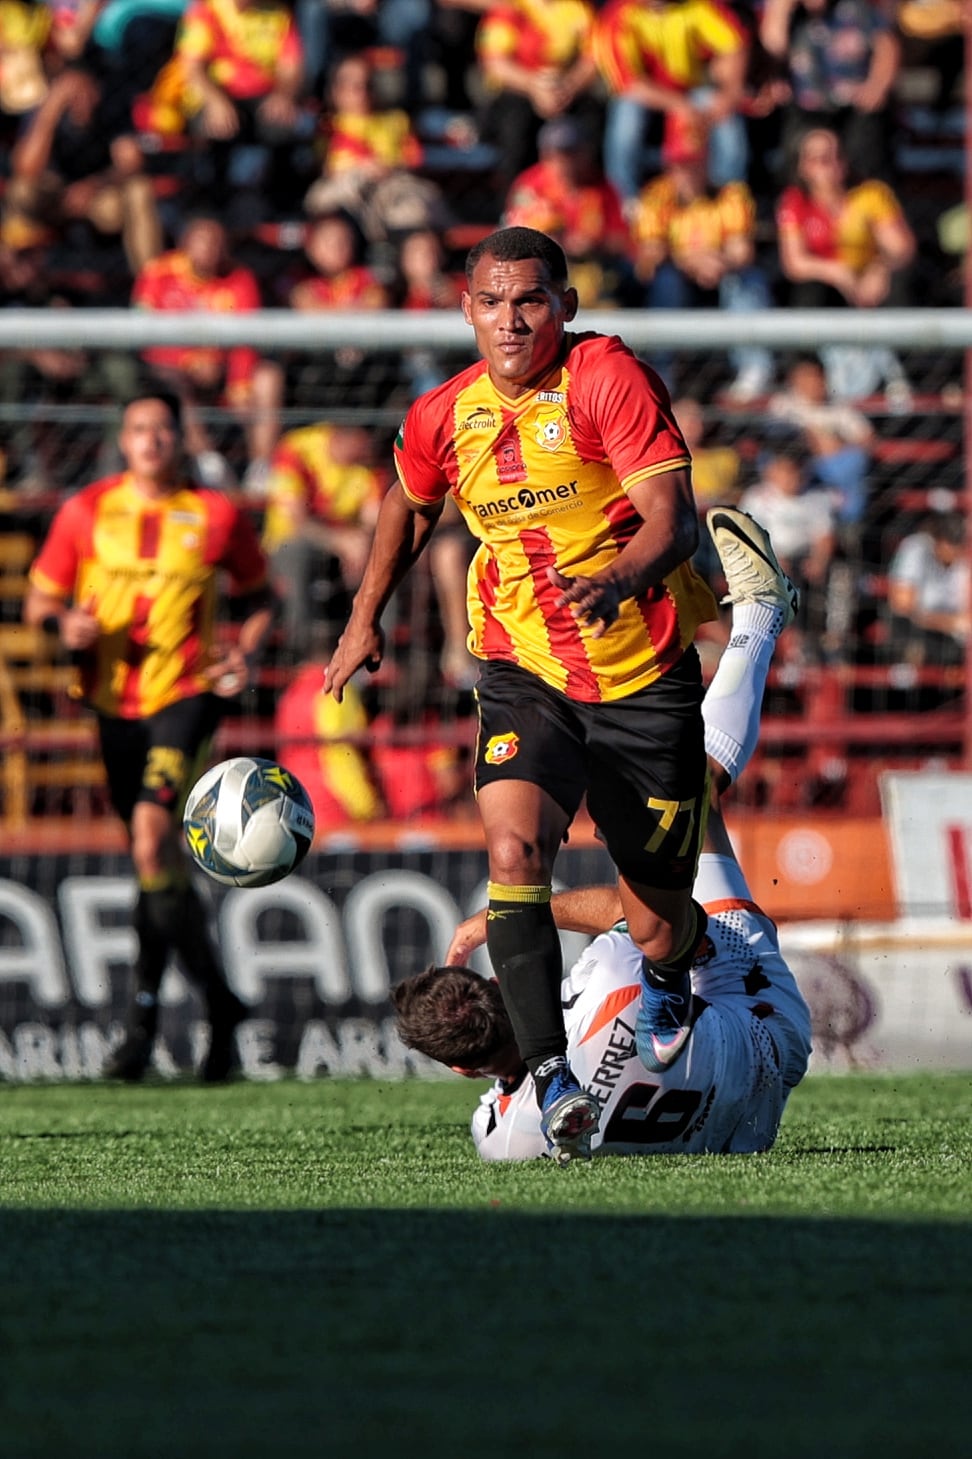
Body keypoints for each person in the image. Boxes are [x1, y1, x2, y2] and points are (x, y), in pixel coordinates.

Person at [325, 224, 725, 1162]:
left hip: (641, 671)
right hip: (522, 666)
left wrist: (617, 581)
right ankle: (551, 1075)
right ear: (467, 308)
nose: (512, 320)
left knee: (656, 918)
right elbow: (407, 503)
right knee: (513, 847)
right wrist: (362, 617)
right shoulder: (443, 414)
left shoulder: (606, 379)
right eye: (494, 301)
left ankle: (672, 967)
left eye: (531, 300)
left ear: (565, 306)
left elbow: (673, 519)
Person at [393, 505, 810, 1161]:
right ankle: (760, 614)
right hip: (759, 1020)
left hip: (748, 1118)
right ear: (500, 985)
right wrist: (512, 916)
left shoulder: (501, 1141)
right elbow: (656, 918)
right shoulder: (605, 977)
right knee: (679, 809)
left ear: (462, 1069)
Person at [23, 388, 277, 1082]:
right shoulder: (86, 511)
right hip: (111, 703)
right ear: (123, 439)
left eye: (164, 428)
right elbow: (38, 600)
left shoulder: (216, 514)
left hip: (186, 696)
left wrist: (245, 649)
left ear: (180, 439)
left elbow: (260, 595)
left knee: (149, 837)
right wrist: (64, 626)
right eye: (140, 428)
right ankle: (216, 1003)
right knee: (155, 862)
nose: (152, 440)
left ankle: (142, 1022)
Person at [132, 213, 284, 494]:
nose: (210, 249)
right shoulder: (158, 273)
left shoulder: (240, 279)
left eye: (217, 242)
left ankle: (261, 468)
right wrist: (187, 360)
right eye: (202, 241)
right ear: (185, 243)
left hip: (224, 368)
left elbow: (246, 338)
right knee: (175, 384)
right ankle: (209, 463)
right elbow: (145, 335)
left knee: (268, 376)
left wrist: (240, 383)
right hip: (173, 369)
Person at [629, 111, 773, 402]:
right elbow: (652, 254)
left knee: (747, 280)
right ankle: (662, 369)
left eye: (694, 162)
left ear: (707, 161)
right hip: (678, 279)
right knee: (665, 280)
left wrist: (718, 263)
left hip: (720, 275)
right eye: (680, 164)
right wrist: (692, 261)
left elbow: (742, 250)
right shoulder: (656, 195)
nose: (687, 172)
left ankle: (754, 367)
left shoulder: (731, 193)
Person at [775, 126, 916, 402]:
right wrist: (837, 272)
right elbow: (794, 262)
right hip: (829, 293)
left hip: (870, 287)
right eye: (817, 159)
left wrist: (879, 268)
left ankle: (903, 370)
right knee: (809, 290)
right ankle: (811, 373)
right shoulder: (795, 201)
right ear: (802, 167)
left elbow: (901, 247)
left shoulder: (870, 194)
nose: (828, 165)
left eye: (833, 156)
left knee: (901, 283)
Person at [591, 0, 751, 202]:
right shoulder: (618, 15)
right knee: (626, 118)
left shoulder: (697, 6)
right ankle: (625, 200)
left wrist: (731, 92)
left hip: (692, 90)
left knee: (726, 118)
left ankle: (730, 196)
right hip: (646, 95)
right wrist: (680, 104)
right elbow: (627, 83)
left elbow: (735, 44)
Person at [501, 114, 633, 308]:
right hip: (541, 270)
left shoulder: (603, 188)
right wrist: (559, 244)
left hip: (595, 266)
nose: (564, 161)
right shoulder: (530, 187)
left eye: (572, 153)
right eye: (555, 154)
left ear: (586, 153)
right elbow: (515, 238)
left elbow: (622, 240)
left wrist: (595, 244)